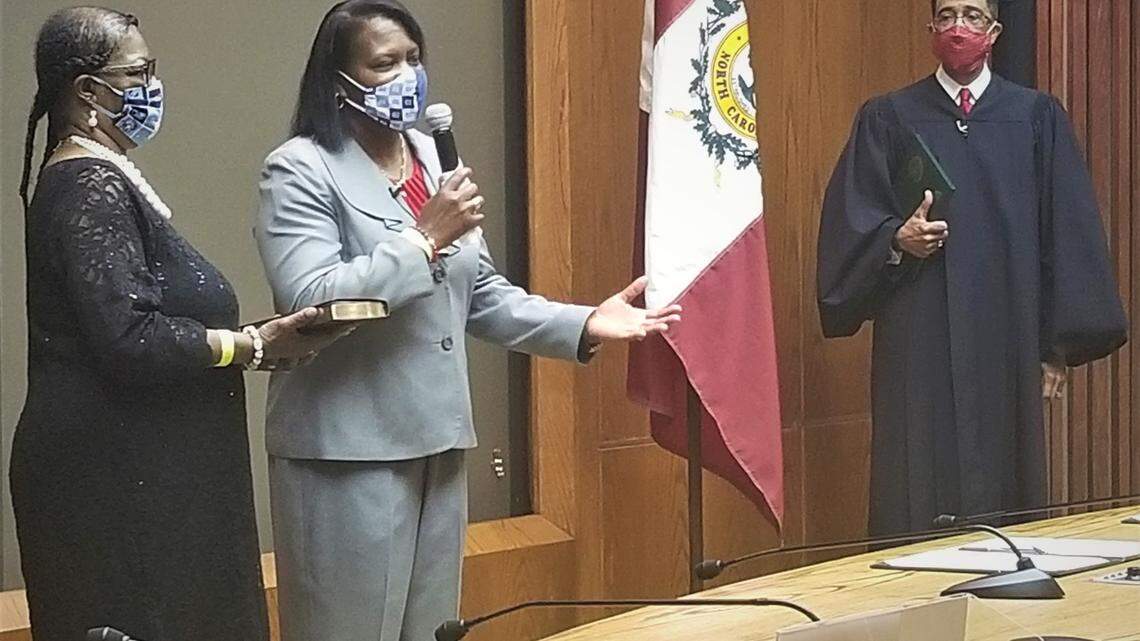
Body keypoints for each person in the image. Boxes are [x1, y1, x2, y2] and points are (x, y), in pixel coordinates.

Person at [253, 2, 682, 640]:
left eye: (413, 58)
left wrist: (585, 322)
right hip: (347, 453)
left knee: (432, 632)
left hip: (439, 441)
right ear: (337, 82)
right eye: (384, 63)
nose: (407, 75)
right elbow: (312, 296)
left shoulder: (428, 156)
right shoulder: (299, 168)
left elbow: (477, 292)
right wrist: (422, 240)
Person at [11, 7, 351, 640]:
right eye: (139, 72)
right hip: (119, 488)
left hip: (145, 476)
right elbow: (129, 337)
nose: (151, 87)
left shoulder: (101, 178)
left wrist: (256, 343)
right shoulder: (89, 185)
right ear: (88, 91)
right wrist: (251, 345)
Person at [816, 0, 1127, 536]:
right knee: (915, 488)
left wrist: (1054, 352)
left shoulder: (1035, 116)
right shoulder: (888, 116)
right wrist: (896, 238)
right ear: (931, 28)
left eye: (973, 16)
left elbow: (1067, 235)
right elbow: (851, 223)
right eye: (948, 15)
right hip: (918, 342)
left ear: (995, 30)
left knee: (1008, 495)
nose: (960, 27)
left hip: (1008, 341)